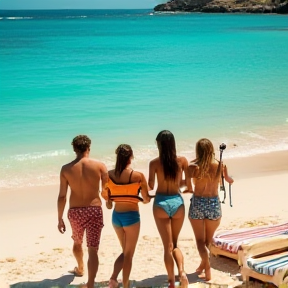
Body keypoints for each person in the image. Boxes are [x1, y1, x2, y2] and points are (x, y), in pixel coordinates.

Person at [57, 135, 108, 288]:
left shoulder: (66, 169)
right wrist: (110, 203)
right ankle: (90, 283)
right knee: (93, 249)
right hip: (94, 209)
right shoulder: (100, 166)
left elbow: (62, 196)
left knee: (77, 242)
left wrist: (59, 218)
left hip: (75, 211)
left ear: (74, 149)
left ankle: (80, 268)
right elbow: (105, 192)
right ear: (89, 148)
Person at [102, 144, 151, 288]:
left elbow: (107, 199)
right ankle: (125, 284)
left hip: (116, 217)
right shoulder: (137, 176)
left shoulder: (108, 175)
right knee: (128, 255)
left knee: (125, 252)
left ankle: (113, 280)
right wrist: (140, 199)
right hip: (131, 217)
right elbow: (146, 198)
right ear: (130, 157)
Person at [148, 130, 192, 288]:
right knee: (175, 244)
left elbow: (151, 186)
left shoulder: (154, 163)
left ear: (159, 144)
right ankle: (182, 272)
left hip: (160, 203)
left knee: (167, 246)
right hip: (177, 203)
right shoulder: (182, 161)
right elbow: (185, 183)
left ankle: (172, 282)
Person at [187, 138, 234, 281]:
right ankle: (203, 265)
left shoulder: (193, 167)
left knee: (200, 241)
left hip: (198, 203)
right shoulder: (220, 165)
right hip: (214, 203)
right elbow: (228, 180)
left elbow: (189, 187)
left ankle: (206, 268)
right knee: (207, 241)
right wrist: (230, 179)